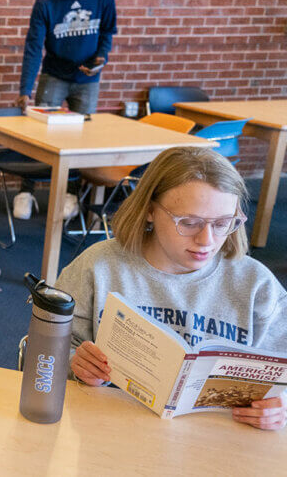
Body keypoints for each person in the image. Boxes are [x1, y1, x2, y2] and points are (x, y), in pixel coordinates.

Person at [56, 146, 287, 430]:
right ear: (150, 210)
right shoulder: (98, 267)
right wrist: (74, 364)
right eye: (189, 223)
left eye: (222, 223)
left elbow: (281, 380)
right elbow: (41, 354)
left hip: (217, 441)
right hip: (109, 428)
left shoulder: (256, 285)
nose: (207, 240)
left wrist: (281, 406)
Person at [10, 0, 118, 221]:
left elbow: (107, 31)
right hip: (54, 75)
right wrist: (25, 90)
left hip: (87, 79)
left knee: (82, 139)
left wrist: (101, 59)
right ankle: (26, 191)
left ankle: (71, 193)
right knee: (39, 135)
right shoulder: (46, 3)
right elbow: (33, 47)